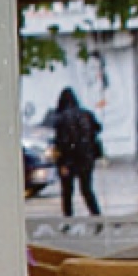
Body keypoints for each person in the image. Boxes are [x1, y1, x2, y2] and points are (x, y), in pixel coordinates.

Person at [49, 87, 104, 217]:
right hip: (86, 158)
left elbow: (61, 142)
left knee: (67, 191)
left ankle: (68, 219)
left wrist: (62, 162)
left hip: (69, 160)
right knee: (86, 189)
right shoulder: (86, 114)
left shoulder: (61, 118)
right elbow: (98, 128)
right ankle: (96, 216)